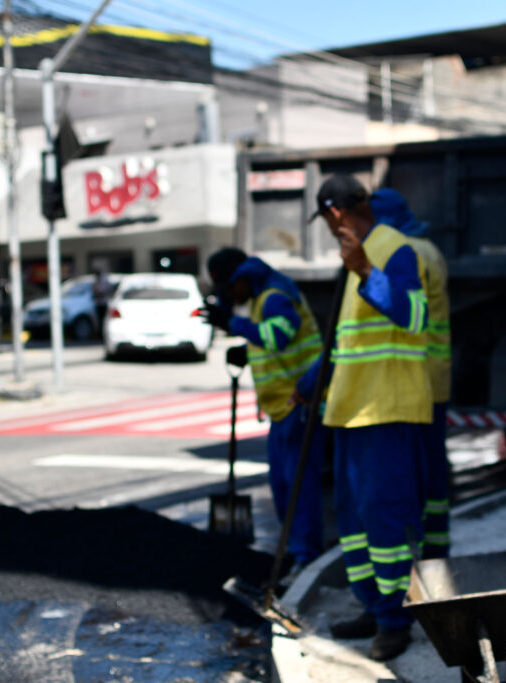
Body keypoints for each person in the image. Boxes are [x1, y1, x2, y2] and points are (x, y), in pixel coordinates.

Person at [299, 173, 431, 661]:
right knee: (354, 524)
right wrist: (311, 384)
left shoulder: (395, 249)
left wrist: (363, 271)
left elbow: (415, 316)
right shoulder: (353, 255)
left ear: (334, 214)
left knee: (385, 522)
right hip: (351, 410)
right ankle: (373, 606)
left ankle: (395, 621)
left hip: (386, 410)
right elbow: (345, 337)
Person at [202, 248, 326, 573]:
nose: (230, 296)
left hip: (300, 404)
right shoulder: (261, 296)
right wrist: (247, 349)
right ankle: (293, 550)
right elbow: (269, 338)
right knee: (283, 485)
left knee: (298, 484)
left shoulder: (273, 295)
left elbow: (280, 335)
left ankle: (305, 555)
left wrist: (234, 324)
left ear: (241, 277)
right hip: (283, 408)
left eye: (230, 288)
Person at [369, 188, 451, 559]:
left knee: (411, 479)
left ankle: (418, 559)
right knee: (433, 476)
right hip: (434, 379)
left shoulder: (405, 253)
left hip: (412, 384)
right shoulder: (429, 250)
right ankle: (436, 553)